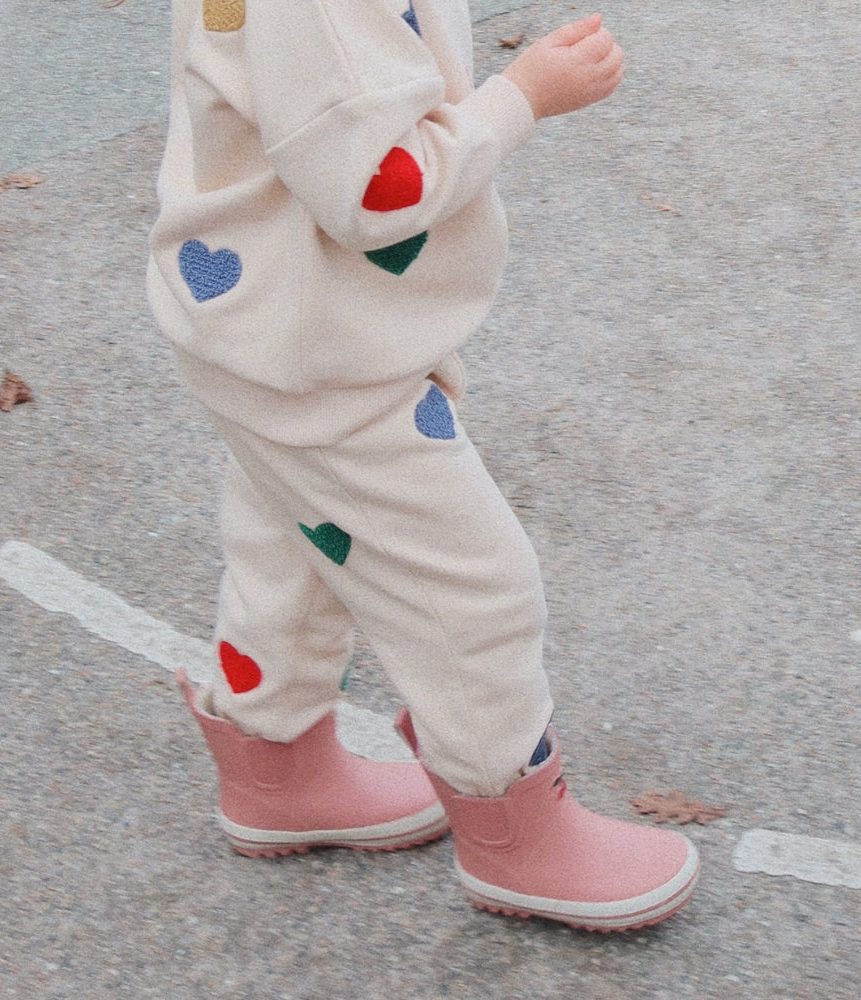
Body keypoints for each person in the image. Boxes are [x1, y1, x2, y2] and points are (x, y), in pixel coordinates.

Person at [148, 0, 699, 932]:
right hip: (321, 359)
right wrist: (523, 96)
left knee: (300, 551)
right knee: (472, 585)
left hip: (267, 322)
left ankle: (275, 768)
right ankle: (515, 836)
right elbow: (376, 188)